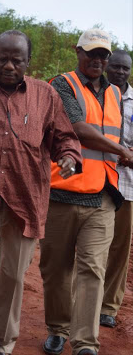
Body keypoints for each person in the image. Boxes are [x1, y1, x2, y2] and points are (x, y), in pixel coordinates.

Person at [0, 30, 82, 355]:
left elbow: (65, 136)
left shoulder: (46, 96)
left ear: (27, 61)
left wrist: (68, 157)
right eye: (2, 58)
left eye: (16, 60)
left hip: (24, 205)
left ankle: (0, 347)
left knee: (12, 282)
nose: (8, 65)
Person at [40, 29, 133, 355]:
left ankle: (84, 342)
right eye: (91, 53)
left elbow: (113, 137)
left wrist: (123, 154)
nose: (98, 59)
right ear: (78, 51)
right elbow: (78, 129)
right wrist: (124, 152)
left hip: (103, 197)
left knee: (93, 268)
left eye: (103, 55)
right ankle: (58, 328)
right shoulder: (62, 85)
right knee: (56, 268)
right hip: (61, 194)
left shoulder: (114, 95)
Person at [100, 49, 133, 328]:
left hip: (128, 185)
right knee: (93, 244)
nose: (120, 72)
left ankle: (108, 306)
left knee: (120, 248)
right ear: (107, 66)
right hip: (98, 181)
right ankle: (83, 300)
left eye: (126, 68)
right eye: (116, 67)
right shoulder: (98, 94)